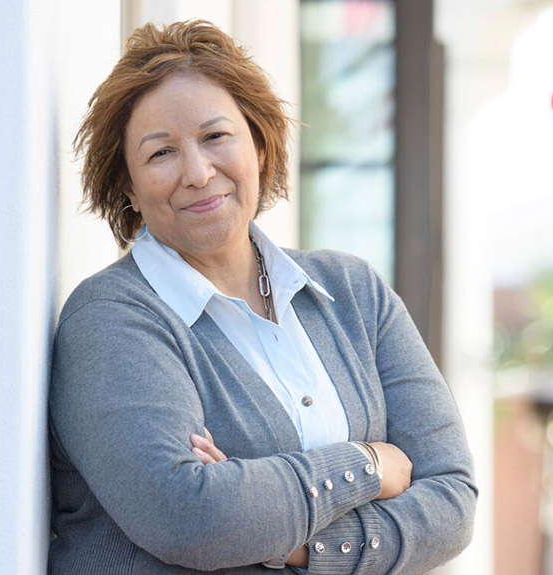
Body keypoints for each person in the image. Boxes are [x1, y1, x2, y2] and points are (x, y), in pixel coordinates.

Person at [48, 19, 477, 575]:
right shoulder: (109, 322)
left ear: (257, 140)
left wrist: (286, 542)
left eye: (215, 137)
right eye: (161, 154)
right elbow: (191, 519)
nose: (199, 173)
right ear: (127, 185)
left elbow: (452, 500)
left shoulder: (353, 293)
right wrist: (368, 466)